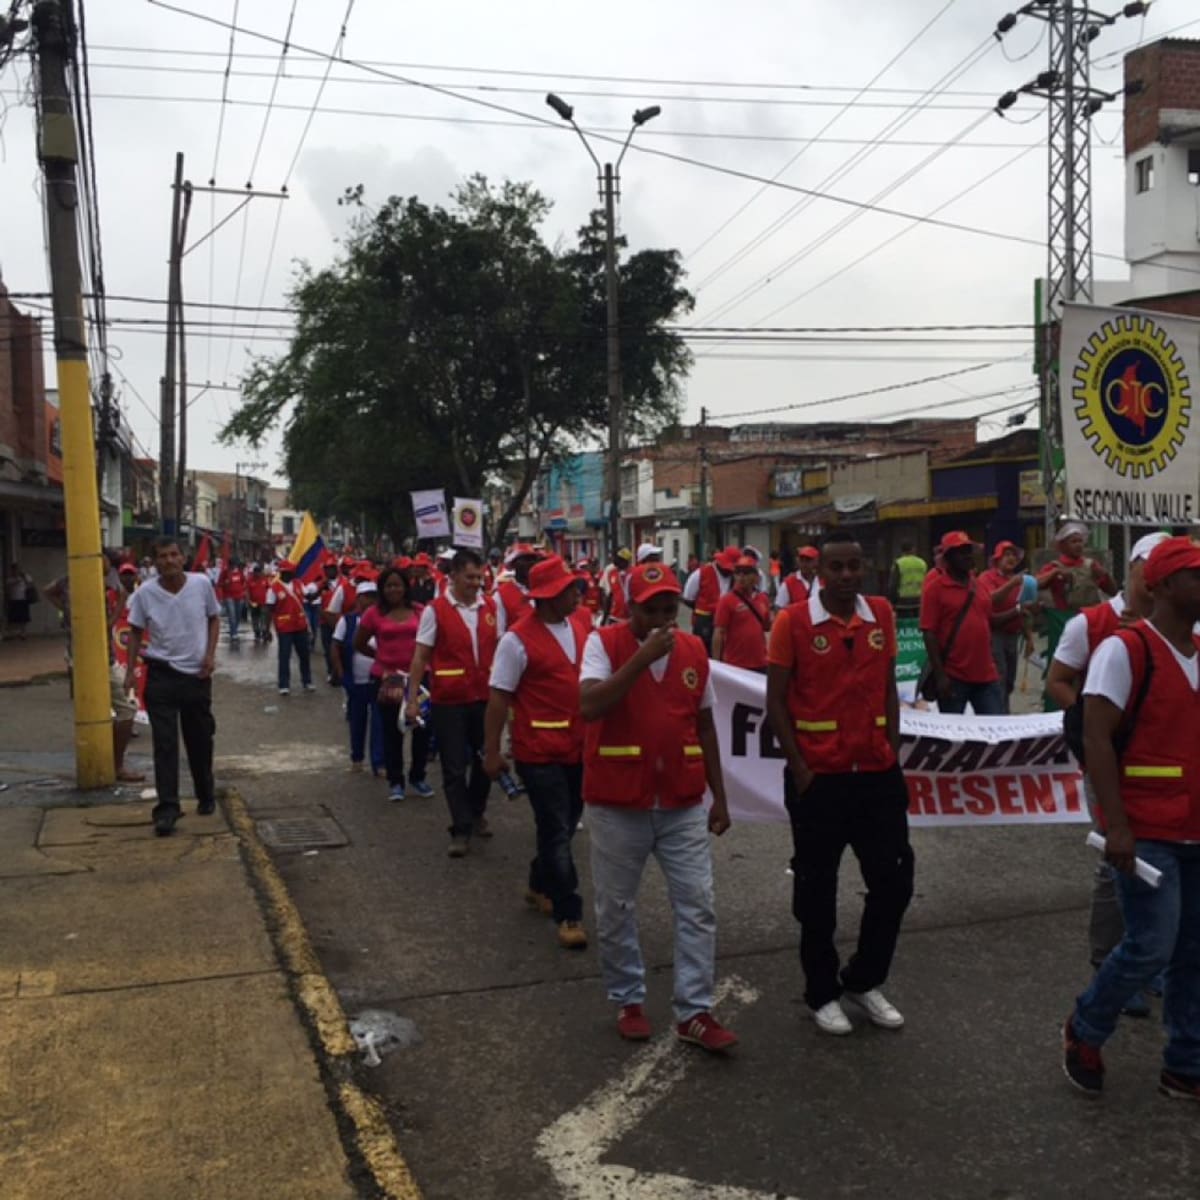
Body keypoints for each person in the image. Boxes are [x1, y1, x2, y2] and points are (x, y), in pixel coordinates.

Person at [1063, 535, 1200, 1100]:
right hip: (1146, 828)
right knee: (1152, 945)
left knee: (1194, 950)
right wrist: (1115, 824)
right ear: (1163, 585)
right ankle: (1086, 1028)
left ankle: (1185, 1063)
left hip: (1196, 824)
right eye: (1196, 575)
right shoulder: (1125, 650)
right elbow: (1096, 737)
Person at [579, 562, 737, 1053]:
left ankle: (695, 1010)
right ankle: (628, 999)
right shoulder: (602, 645)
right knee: (617, 908)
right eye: (653, 610)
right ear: (631, 608)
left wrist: (720, 795)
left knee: (697, 905)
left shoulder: (693, 650)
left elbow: (706, 724)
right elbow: (590, 705)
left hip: (682, 802)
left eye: (671, 609)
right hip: (618, 801)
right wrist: (640, 660)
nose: (665, 619)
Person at [766, 530, 913, 1037]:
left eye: (855, 565)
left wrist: (891, 748)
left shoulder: (882, 615)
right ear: (820, 573)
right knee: (816, 891)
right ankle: (822, 991)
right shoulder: (793, 621)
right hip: (819, 781)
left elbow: (889, 687)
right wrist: (801, 768)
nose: (848, 576)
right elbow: (776, 702)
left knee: (893, 882)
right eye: (837, 568)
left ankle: (864, 979)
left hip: (876, 775)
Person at [1047, 532, 1168, 1017]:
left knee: (1164, 857)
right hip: (1108, 760)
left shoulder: (1184, 628)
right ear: (1136, 569)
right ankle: (1110, 964)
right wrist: (1095, 719)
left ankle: (1148, 958)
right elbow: (1058, 679)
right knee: (1116, 858)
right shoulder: (1090, 623)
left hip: (1166, 762)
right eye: (1154, 570)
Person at [484, 555, 592, 951]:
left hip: (578, 747)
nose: (576, 594)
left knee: (565, 821)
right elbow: (498, 699)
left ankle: (537, 882)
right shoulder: (516, 640)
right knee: (557, 828)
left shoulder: (582, 625)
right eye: (568, 590)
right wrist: (492, 752)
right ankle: (569, 911)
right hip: (538, 751)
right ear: (547, 597)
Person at [124, 537, 220, 837]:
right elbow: (135, 632)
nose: (169, 560)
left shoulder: (201, 584)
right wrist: (130, 671)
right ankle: (167, 808)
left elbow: (214, 618)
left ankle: (205, 793)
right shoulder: (145, 594)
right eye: (162, 556)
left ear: (183, 558)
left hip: (196, 676)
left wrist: (209, 655)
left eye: (174, 555)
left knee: (200, 739)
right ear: (154, 562)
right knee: (165, 744)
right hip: (161, 675)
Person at [406, 549, 498, 856]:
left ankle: (475, 811)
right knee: (454, 766)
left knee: (487, 761)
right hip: (450, 699)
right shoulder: (436, 610)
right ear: (454, 576)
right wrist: (412, 697)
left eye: (479, 577)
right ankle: (460, 828)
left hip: (485, 697)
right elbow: (421, 655)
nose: (476, 583)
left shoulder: (492, 608)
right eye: (470, 577)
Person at [354, 567, 432, 802]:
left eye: (397, 585)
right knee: (392, 732)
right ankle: (396, 782)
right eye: (388, 585)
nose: (393, 589)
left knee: (421, 729)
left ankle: (418, 777)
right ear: (381, 589)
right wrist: (381, 660)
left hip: (420, 679)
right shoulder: (373, 614)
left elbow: (430, 643)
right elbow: (359, 643)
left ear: (406, 587)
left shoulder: (421, 611)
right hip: (388, 680)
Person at [919, 531, 1004, 715]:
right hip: (954, 677)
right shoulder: (934, 589)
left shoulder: (978, 585)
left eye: (969, 550)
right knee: (953, 738)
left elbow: (989, 620)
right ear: (948, 557)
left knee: (996, 734)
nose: (967, 555)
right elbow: (929, 633)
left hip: (986, 675)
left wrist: (1019, 611)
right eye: (961, 551)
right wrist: (941, 676)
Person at [331, 579, 385, 776]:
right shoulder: (348, 621)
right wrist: (340, 673)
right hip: (356, 682)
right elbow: (336, 647)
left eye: (374, 597)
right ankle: (357, 758)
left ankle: (379, 763)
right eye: (366, 597)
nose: (370, 601)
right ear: (358, 599)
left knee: (379, 723)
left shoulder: (383, 619)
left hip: (378, 681)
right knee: (357, 721)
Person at [978, 541, 1031, 714]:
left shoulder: (1017, 580)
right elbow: (990, 600)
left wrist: (1029, 637)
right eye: (1007, 555)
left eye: (1014, 555)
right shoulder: (987, 577)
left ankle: (1003, 710)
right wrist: (1011, 584)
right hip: (994, 633)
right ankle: (1000, 715)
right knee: (999, 676)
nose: (1011, 559)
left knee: (1009, 680)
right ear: (998, 559)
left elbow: (1022, 608)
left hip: (1012, 634)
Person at [712, 556, 772, 671]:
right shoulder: (727, 600)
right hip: (735, 664)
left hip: (760, 662)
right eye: (738, 573)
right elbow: (718, 633)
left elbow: (766, 626)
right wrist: (717, 664)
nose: (741, 577)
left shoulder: (763, 598)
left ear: (755, 577)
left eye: (746, 573)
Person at [267, 560, 314, 696]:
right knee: (284, 656)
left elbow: (309, 597)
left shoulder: (299, 584)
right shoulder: (274, 588)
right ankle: (284, 685)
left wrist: (321, 588)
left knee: (304, 655)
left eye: (293, 572)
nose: (292, 574)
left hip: (300, 626)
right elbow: (269, 609)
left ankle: (307, 681)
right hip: (284, 628)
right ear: (283, 572)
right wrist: (267, 629)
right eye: (289, 572)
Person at [682, 546, 739, 653]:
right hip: (705, 622)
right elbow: (687, 598)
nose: (729, 571)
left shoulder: (735, 577)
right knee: (703, 654)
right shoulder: (701, 573)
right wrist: (702, 610)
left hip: (727, 624)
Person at [498, 544, 539, 629]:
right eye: (525, 559)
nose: (531, 563)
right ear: (513, 564)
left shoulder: (543, 588)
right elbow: (499, 632)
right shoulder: (501, 595)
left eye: (533, 559)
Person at [888, 542, 928, 616]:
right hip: (919, 601)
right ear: (913, 549)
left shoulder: (899, 563)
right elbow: (927, 582)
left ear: (902, 551)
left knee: (904, 625)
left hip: (903, 602)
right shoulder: (922, 562)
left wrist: (892, 601)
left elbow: (893, 585)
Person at [776, 545, 819, 610]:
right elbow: (779, 607)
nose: (804, 564)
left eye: (808, 560)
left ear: (816, 562)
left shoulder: (823, 581)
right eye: (801, 560)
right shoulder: (789, 582)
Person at [601, 548, 633, 626]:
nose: (614, 560)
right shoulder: (611, 573)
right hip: (614, 617)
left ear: (625, 560)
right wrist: (604, 618)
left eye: (618, 558)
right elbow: (610, 596)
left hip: (630, 617)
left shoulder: (633, 573)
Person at [219, 558, 247, 644]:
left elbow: (243, 582)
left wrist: (243, 592)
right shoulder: (225, 572)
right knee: (232, 615)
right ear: (229, 565)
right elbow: (219, 583)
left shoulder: (239, 572)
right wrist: (225, 583)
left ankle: (233, 630)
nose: (234, 566)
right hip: (229, 597)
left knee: (238, 615)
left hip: (239, 596)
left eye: (235, 565)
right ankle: (234, 634)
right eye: (233, 565)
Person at [4, 562, 35, 639]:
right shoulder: (10, 578)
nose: (15, 571)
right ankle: (9, 633)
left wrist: (24, 578)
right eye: (13, 570)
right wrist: (16, 579)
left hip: (23, 599)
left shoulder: (25, 576)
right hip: (13, 599)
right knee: (12, 617)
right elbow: (8, 584)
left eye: (17, 569)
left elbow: (31, 583)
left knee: (24, 617)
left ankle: (23, 633)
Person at [246, 564, 271, 643]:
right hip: (254, 603)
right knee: (255, 618)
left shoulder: (264, 579)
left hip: (263, 603)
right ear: (254, 572)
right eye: (256, 572)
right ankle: (257, 632)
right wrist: (249, 601)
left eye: (259, 572)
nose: (257, 574)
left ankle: (264, 632)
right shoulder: (249, 580)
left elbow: (269, 589)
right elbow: (247, 592)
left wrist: (269, 601)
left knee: (263, 618)